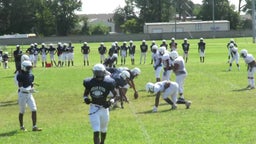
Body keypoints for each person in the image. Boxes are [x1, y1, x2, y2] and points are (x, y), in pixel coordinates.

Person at [83, 64, 117, 144]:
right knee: (96, 130)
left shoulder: (108, 82)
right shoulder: (89, 82)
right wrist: (86, 99)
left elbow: (115, 95)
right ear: (94, 73)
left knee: (104, 129)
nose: (99, 75)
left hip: (104, 109)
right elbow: (85, 94)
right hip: (94, 108)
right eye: (97, 73)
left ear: (104, 72)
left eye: (100, 73)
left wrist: (110, 102)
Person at [17, 60, 42, 131]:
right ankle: (21, 126)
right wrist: (28, 90)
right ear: (24, 67)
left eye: (30, 68)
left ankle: (34, 126)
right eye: (28, 68)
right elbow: (20, 87)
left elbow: (31, 85)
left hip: (29, 95)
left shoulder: (31, 75)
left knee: (34, 109)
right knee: (22, 111)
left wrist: (32, 88)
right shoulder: (20, 75)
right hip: (22, 94)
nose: (29, 69)